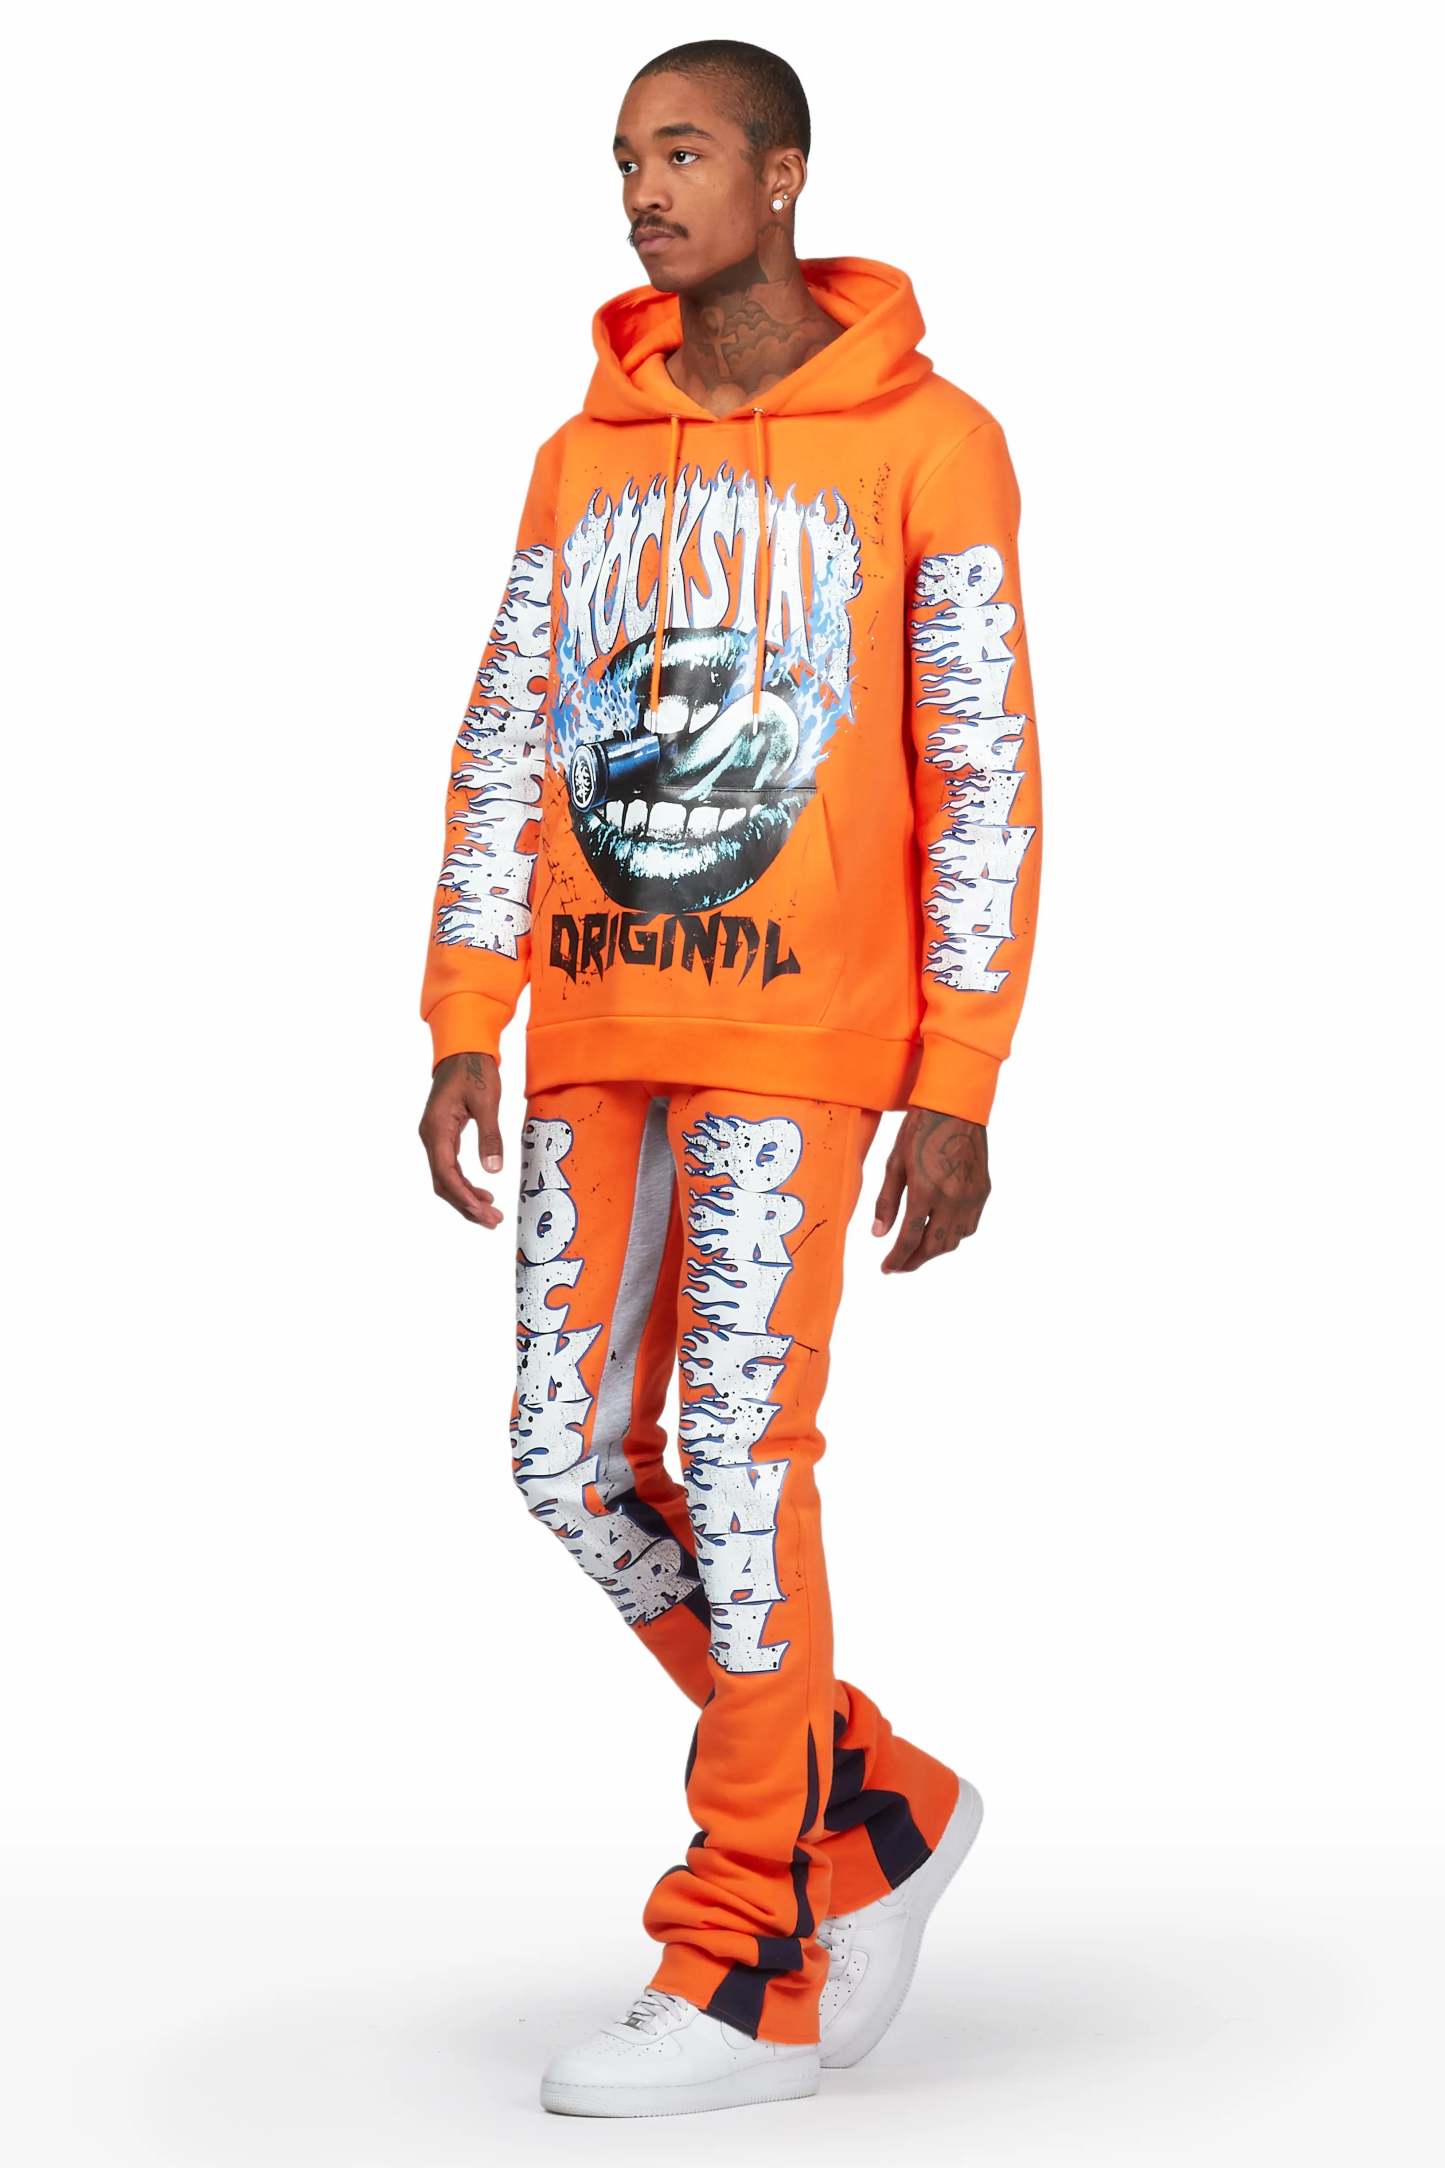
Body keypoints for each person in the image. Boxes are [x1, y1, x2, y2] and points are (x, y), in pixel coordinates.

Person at [417, 37, 1041, 2120]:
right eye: (623, 158)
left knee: (740, 1466)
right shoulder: (578, 454)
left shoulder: (933, 441)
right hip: (595, 1016)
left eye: (682, 151)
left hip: (801, 1033)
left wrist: (959, 1071)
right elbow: (506, 730)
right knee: (566, 1463)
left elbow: (981, 762)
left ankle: (750, 1951)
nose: (643, 191)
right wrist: (464, 1012)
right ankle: (873, 1798)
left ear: (783, 175)